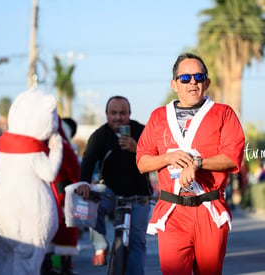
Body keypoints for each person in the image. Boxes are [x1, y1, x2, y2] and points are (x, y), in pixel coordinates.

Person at [136, 52, 245, 275]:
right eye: (185, 78)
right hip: (172, 212)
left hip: (208, 209)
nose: (192, 82)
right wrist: (167, 157)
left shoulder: (223, 113)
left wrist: (197, 163)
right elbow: (142, 162)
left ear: (207, 82)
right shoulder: (158, 117)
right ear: (175, 84)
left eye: (198, 76)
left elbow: (232, 157)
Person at [76, 96, 152, 274]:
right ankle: (101, 245)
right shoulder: (99, 136)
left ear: (129, 114)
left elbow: (157, 155)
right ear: (106, 114)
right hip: (110, 193)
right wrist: (83, 183)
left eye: (122, 113)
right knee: (94, 207)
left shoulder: (142, 131)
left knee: (137, 242)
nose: (118, 117)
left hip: (139, 196)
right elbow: (88, 161)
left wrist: (137, 149)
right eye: (114, 113)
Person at [41, 117, 81, 275]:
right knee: (65, 232)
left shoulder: (44, 145)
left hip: (49, 194)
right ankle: (63, 266)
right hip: (63, 196)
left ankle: (48, 265)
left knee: (49, 233)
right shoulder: (63, 145)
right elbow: (74, 172)